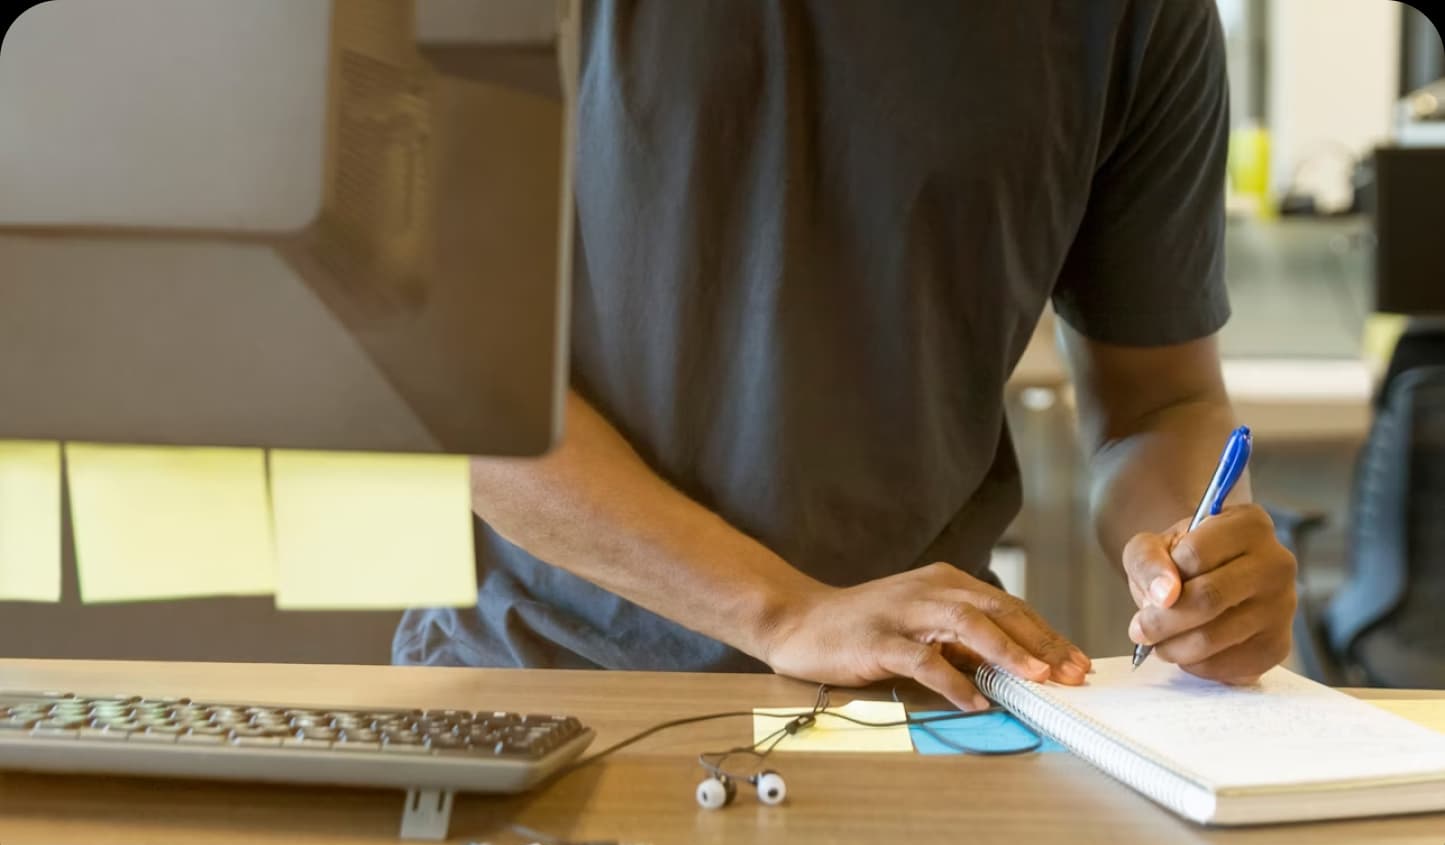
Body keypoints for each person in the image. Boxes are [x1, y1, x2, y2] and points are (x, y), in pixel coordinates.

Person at [393, 0, 1299, 710]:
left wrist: (1199, 566)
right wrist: (780, 610)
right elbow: (443, 366)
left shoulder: (1136, 16)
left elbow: (1158, 405)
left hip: (919, 701)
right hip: (550, 685)